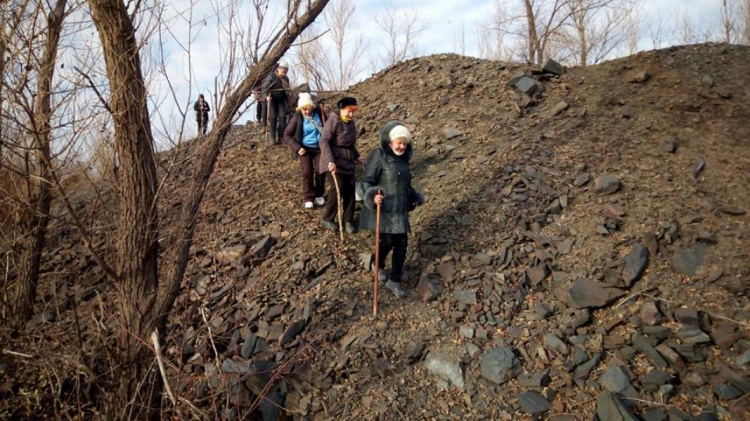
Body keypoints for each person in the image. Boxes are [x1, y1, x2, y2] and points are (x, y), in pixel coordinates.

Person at [359, 121, 425, 298]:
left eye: (405, 143)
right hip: (385, 209)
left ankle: (394, 280)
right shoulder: (379, 156)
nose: (402, 146)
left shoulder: (403, 161)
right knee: (387, 242)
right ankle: (377, 264)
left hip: (400, 210)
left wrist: (413, 197)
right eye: (399, 143)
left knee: (402, 245)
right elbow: (366, 182)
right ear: (390, 143)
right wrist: (372, 195)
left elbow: (405, 185)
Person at [319, 96, 363, 234]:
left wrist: (356, 156)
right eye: (348, 111)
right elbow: (324, 142)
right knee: (338, 187)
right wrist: (331, 160)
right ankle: (328, 218)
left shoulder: (351, 123)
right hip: (332, 161)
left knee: (350, 189)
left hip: (348, 161)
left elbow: (350, 144)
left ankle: (348, 220)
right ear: (342, 109)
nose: (351, 114)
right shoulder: (333, 121)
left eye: (353, 112)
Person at [283, 93, 327, 209]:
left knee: (320, 171)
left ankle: (319, 194)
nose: (306, 112)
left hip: (320, 148)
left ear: (311, 106)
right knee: (307, 172)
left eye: (308, 109)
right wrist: (297, 148)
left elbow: (327, 127)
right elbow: (286, 135)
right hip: (305, 149)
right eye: (303, 109)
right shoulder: (297, 117)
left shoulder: (319, 112)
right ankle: (308, 197)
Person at [261, 61, 291, 145]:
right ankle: (272, 138)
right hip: (273, 99)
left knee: (283, 116)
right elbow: (264, 87)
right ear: (278, 69)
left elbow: (287, 89)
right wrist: (266, 96)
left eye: (285, 72)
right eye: (283, 72)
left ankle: (281, 137)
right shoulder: (272, 76)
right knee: (273, 117)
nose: (283, 74)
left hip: (281, 100)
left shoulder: (286, 79)